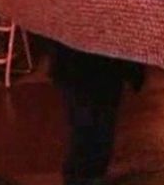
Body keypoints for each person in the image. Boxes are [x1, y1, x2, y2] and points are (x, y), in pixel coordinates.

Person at [49, 41, 145, 185]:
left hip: (77, 66)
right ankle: (87, 175)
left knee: (85, 126)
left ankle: (81, 174)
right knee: (96, 127)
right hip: (101, 69)